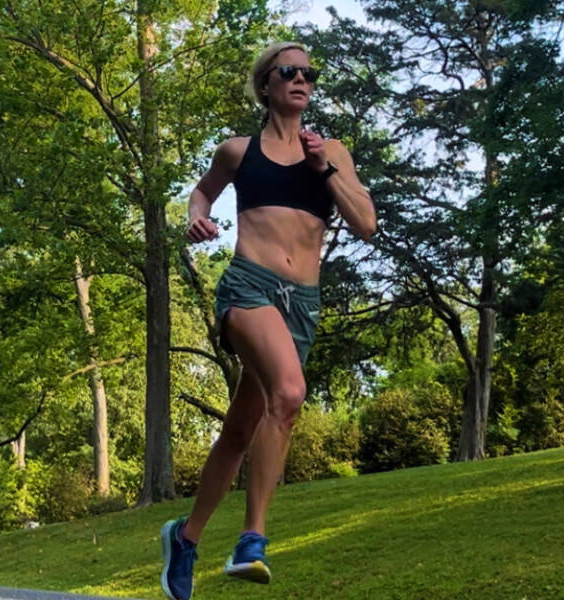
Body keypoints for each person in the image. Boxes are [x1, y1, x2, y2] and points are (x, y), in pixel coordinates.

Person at [160, 41, 376, 600]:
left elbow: (366, 224)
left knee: (240, 429)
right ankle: (252, 538)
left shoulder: (331, 151)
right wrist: (197, 220)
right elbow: (201, 195)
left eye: (309, 73)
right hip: (249, 286)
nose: (302, 80)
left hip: (301, 304)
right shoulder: (238, 151)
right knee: (289, 391)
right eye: (289, 72)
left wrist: (323, 168)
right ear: (267, 85)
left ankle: (185, 537)